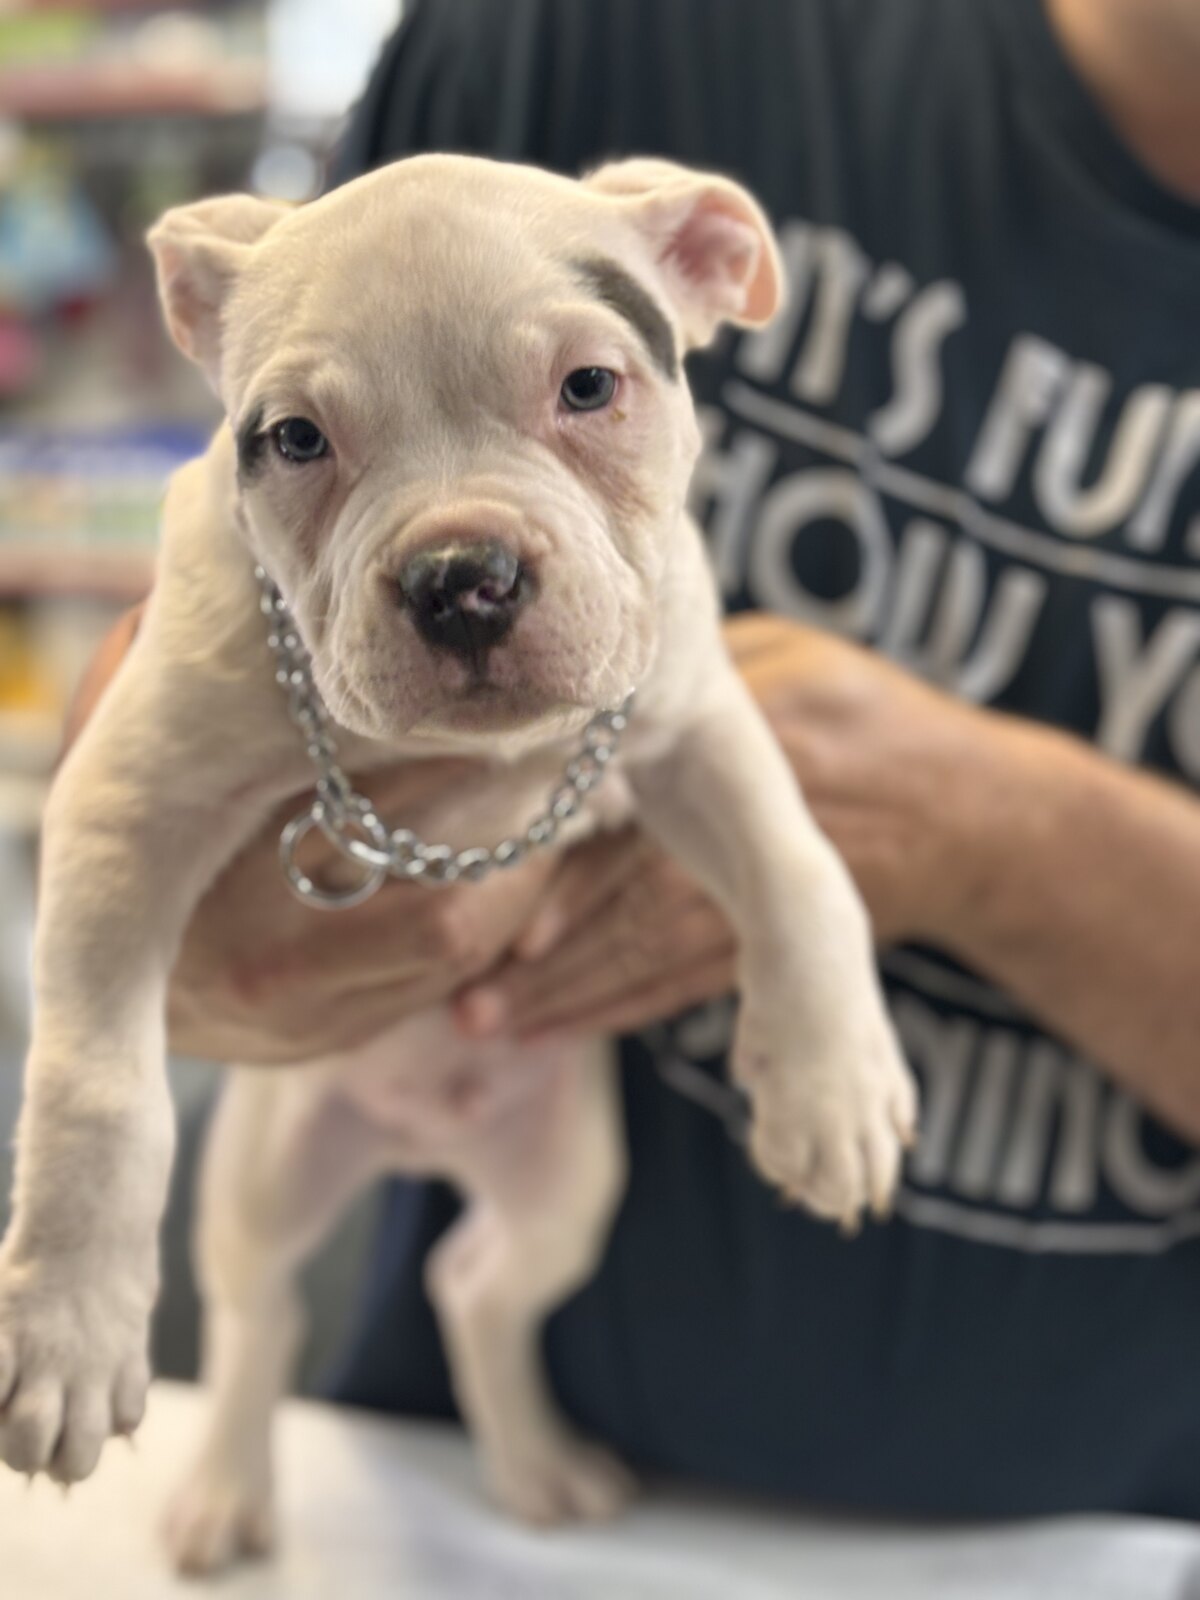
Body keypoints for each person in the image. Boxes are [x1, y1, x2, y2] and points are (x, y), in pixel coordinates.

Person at [79, 0, 1200, 1517]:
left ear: (716, 274)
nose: (468, 558)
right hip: (444, 1495)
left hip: (1114, 1525)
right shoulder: (571, 32)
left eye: (587, 393)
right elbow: (215, 598)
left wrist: (999, 832)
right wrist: (159, 892)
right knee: (262, 1244)